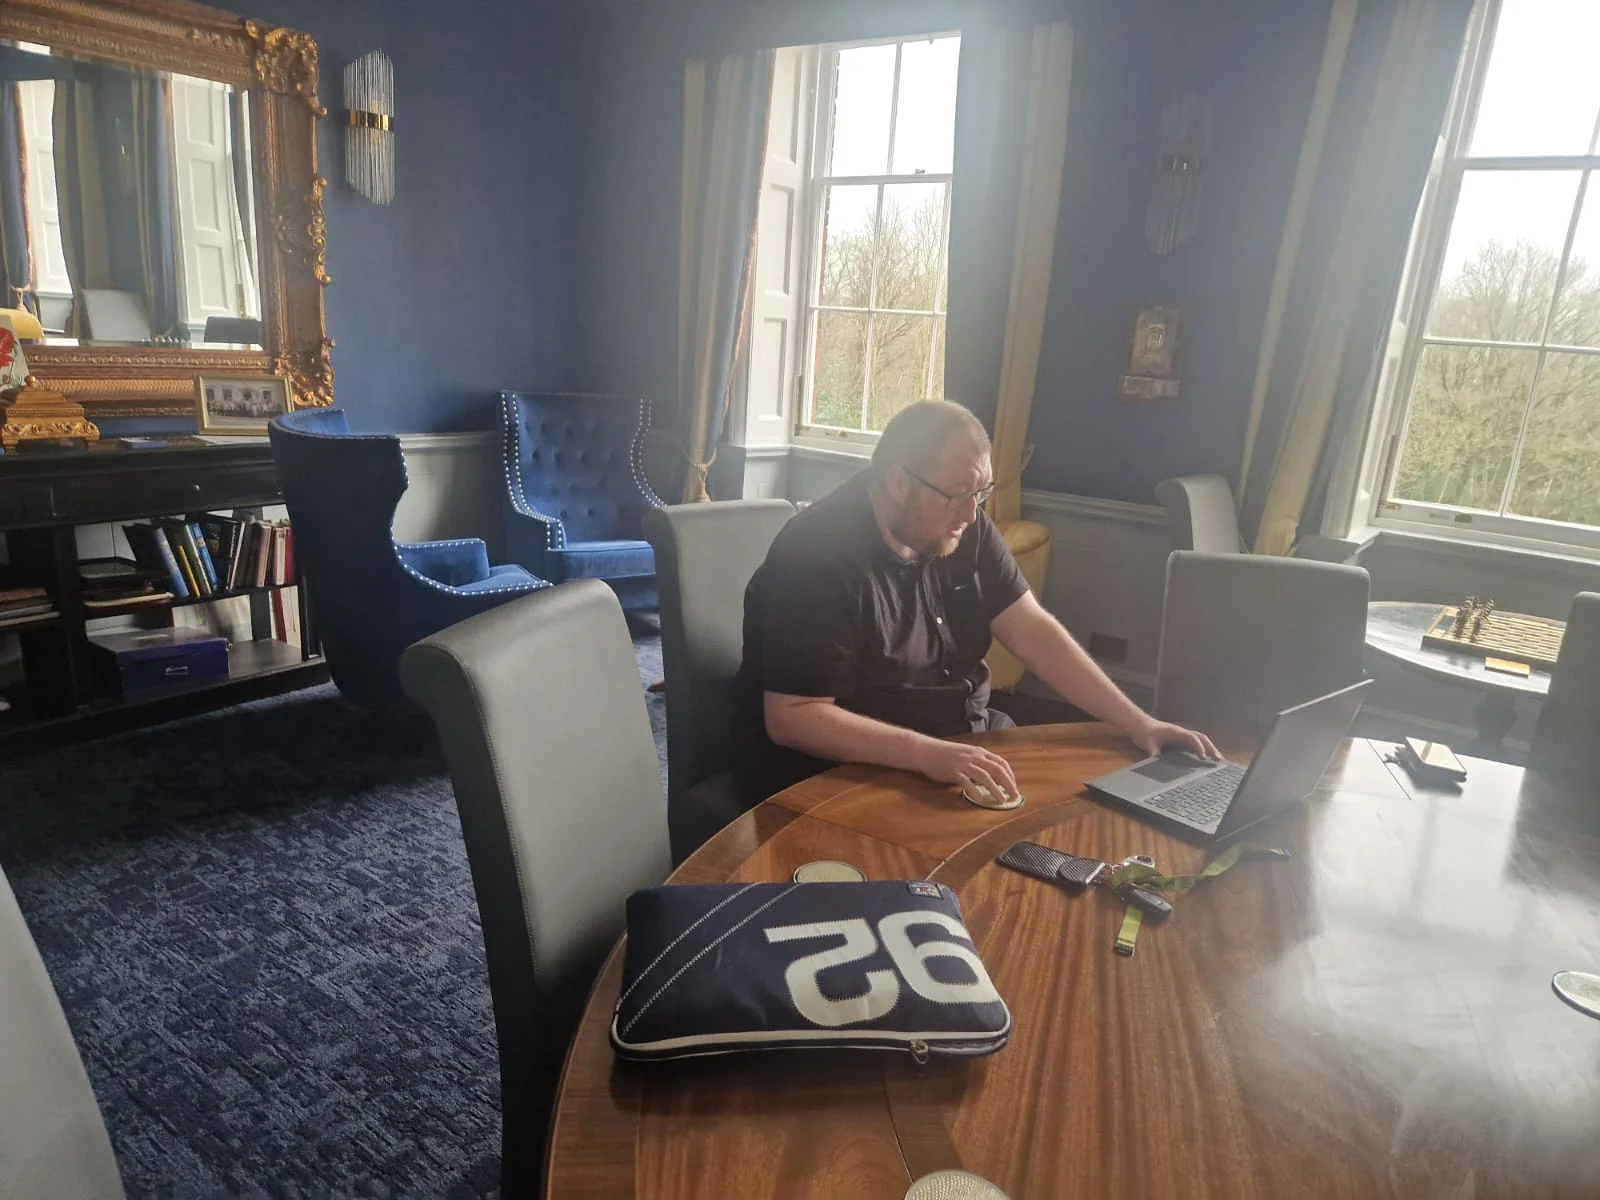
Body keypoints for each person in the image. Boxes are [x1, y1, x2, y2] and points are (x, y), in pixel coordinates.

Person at [730, 400, 1217, 805]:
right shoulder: (817, 556)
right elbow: (794, 717)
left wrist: (1138, 722)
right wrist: (928, 754)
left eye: (981, 492)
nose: (971, 512)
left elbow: (1031, 627)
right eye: (959, 494)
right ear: (899, 482)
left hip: (959, 740)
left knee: (1082, 818)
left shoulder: (963, 524)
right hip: (844, 773)